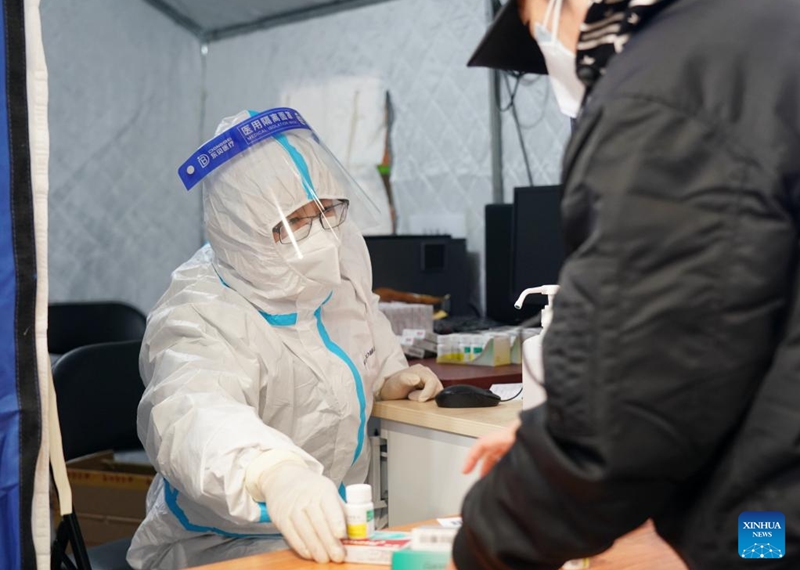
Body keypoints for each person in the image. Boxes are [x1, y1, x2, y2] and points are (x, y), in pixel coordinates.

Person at [452, 0, 800, 568]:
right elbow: (737, 332)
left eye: (528, 22)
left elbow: (622, 417)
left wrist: (480, 548)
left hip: (771, 531)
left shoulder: (669, 91)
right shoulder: (767, 33)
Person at [126, 108, 443, 569]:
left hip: (341, 526)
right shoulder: (198, 311)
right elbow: (190, 412)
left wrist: (388, 375)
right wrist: (272, 471)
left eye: (324, 209)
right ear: (242, 231)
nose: (319, 235)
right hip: (218, 544)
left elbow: (364, 318)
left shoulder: (342, 246)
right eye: (292, 222)